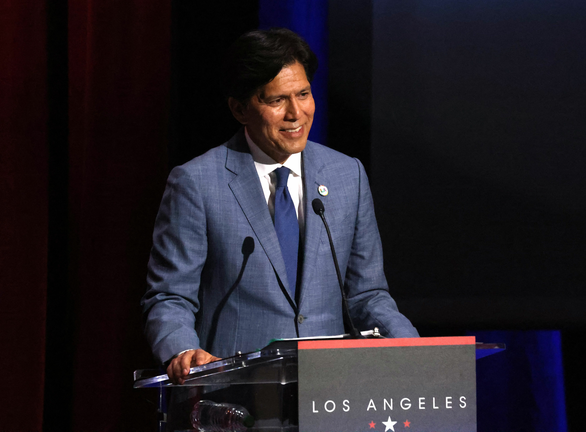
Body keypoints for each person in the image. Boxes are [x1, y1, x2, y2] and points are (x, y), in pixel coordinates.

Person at [142, 28, 418, 384]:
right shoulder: (197, 183)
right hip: (234, 395)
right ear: (240, 109)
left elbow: (367, 294)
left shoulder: (347, 174)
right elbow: (169, 296)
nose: (296, 113)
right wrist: (182, 351)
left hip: (331, 391)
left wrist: (413, 348)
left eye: (303, 94)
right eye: (276, 100)